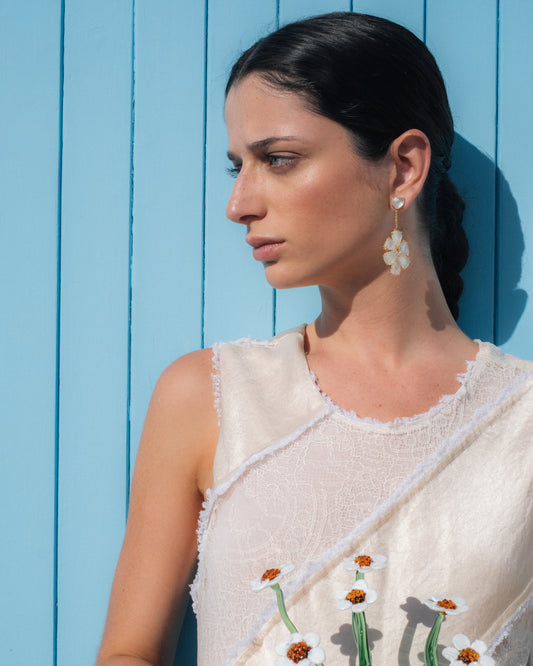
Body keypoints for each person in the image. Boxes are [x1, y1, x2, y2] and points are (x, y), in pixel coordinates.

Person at [96, 12, 533, 666]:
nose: (239, 204)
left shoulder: (520, 421)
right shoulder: (211, 398)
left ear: (403, 168)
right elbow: (128, 653)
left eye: (278, 159)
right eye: (237, 166)